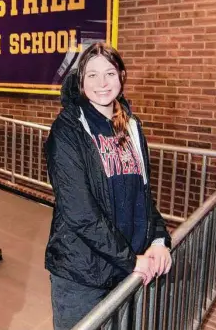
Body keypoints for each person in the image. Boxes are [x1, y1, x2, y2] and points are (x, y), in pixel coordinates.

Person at [45, 42, 172, 329]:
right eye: (92, 75)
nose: (102, 83)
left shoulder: (131, 126)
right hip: (82, 274)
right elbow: (79, 212)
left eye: (110, 74)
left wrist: (158, 239)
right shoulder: (68, 131)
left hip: (125, 269)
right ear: (80, 81)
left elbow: (143, 193)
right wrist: (131, 260)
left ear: (121, 77)